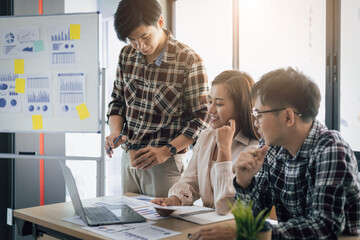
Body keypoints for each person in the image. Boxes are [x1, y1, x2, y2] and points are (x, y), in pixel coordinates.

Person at [230, 67, 360, 239]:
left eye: (259, 114)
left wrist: (264, 232)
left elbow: (324, 226)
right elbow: (251, 220)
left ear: (288, 117)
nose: (255, 123)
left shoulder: (332, 149)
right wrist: (244, 183)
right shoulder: (270, 149)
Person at [105, 0, 209, 197]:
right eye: (132, 40)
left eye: (145, 37)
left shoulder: (188, 60)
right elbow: (117, 101)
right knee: (129, 224)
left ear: (160, 22)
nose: (140, 46)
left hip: (165, 165)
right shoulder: (126, 55)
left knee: (166, 226)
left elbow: (202, 117)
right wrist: (115, 132)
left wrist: (166, 151)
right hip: (129, 161)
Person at [151, 70, 259, 215]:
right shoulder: (206, 136)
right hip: (206, 222)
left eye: (219, 104)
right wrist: (174, 201)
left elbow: (228, 207)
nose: (211, 110)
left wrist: (224, 149)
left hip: (234, 227)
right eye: (209, 101)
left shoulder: (255, 149)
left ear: (240, 108)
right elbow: (191, 181)